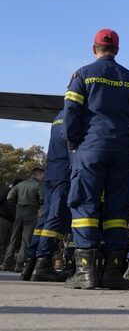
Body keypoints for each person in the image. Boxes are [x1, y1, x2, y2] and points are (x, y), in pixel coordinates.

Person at [64, 28, 129, 290]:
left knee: (84, 205)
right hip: (120, 151)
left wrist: (74, 140)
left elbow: (70, 110)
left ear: (94, 48)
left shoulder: (83, 74)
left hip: (90, 148)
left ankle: (85, 273)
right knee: (117, 210)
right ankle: (113, 273)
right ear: (116, 50)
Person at [26, 111, 73, 282]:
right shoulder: (75, 114)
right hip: (64, 173)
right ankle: (43, 264)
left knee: (44, 219)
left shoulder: (58, 116)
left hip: (52, 173)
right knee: (56, 218)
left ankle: (31, 263)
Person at [1, 169, 44, 272]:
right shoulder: (38, 185)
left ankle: (7, 263)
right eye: (43, 175)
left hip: (19, 212)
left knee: (14, 239)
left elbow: (9, 197)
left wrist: (18, 204)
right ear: (38, 175)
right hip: (31, 212)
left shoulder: (20, 185)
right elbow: (42, 199)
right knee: (26, 240)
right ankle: (19, 265)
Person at [0, 179, 21, 263]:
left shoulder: (20, 195)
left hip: (13, 221)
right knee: (1, 240)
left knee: (9, 242)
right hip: (3, 218)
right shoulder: (6, 190)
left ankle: (4, 261)